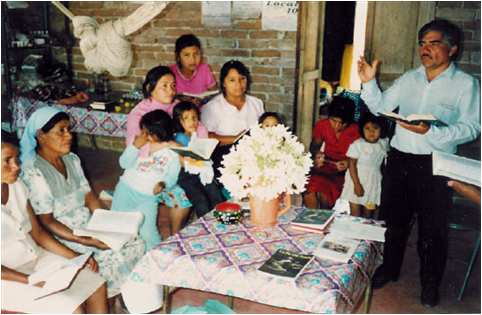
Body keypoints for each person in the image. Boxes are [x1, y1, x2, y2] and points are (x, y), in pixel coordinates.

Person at [357, 19, 480, 307]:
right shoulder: (410, 78)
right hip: (400, 158)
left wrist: (433, 132)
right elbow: (381, 106)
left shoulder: (465, 84)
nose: (425, 49)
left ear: (452, 49)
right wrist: (368, 82)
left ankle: (430, 284)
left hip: (436, 164)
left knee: (432, 229)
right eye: (422, 43)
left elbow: (472, 127)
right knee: (394, 222)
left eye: (434, 43)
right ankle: (389, 268)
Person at [19, 107, 146, 301]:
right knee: (111, 257)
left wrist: (109, 223)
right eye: (60, 131)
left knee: (135, 242)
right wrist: (85, 240)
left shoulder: (72, 160)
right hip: (65, 234)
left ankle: (127, 296)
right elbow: (47, 221)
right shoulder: (34, 172)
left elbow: (89, 197)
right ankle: (105, 300)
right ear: (41, 136)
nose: (68, 135)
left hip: (88, 226)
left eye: (69, 129)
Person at [1, 132, 108, 314]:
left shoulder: (17, 186)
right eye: (7, 160)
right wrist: (30, 280)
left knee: (95, 282)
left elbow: (39, 234)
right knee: (69, 307)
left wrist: (75, 257)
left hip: (36, 258)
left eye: (17, 158)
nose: (16, 166)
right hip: (8, 276)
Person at [112, 110, 192, 243]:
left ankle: (154, 257)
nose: (144, 135)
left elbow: (172, 176)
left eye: (148, 132)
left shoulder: (172, 152)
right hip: (126, 190)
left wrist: (163, 184)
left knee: (149, 234)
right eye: (143, 131)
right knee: (118, 227)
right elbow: (123, 163)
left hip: (148, 198)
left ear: (159, 133)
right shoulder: (140, 143)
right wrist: (135, 146)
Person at [201, 60, 265, 177]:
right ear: (224, 83)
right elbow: (206, 137)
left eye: (242, 79)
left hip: (253, 155)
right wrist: (235, 138)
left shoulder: (256, 103)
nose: (238, 84)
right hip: (224, 157)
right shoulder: (212, 107)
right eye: (232, 80)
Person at [127, 65, 206, 158]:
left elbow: (198, 126)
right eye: (164, 86)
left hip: (179, 158)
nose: (171, 91)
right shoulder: (138, 114)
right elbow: (134, 147)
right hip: (149, 163)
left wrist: (201, 148)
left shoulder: (176, 105)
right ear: (149, 88)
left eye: (173, 85)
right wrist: (168, 145)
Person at [303, 96, 360, 209]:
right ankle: (311, 221)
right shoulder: (322, 125)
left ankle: (324, 219)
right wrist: (317, 155)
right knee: (310, 191)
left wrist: (348, 162)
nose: (337, 126)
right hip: (325, 165)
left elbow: (363, 156)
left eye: (342, 123)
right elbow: (314, 148)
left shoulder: (356, 130)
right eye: (334, 121)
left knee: (325, 196)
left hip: (347, 171)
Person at [172, 101, 224, 218]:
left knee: (215, 193)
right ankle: (205, 223)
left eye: (194, 117)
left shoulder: (200, 132)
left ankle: (221, 219)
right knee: (201, 200)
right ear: (179, 121)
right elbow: (181, 160)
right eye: (186, 118)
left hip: (201, 169)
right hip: (185, 174)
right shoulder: (179, 137)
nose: (192, 122)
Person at [340, 113, 389, 218]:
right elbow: (352, 165)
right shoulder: (357, 145)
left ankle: (365, 230)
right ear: (362, 130)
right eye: (367, 128)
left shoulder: (383, 143)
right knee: (355, 214)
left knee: (369, 212)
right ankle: (353, 233)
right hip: (356, 181)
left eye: (375, 128)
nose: (371, 132)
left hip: (373, 183)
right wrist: (357, 185)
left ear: (382, 129)